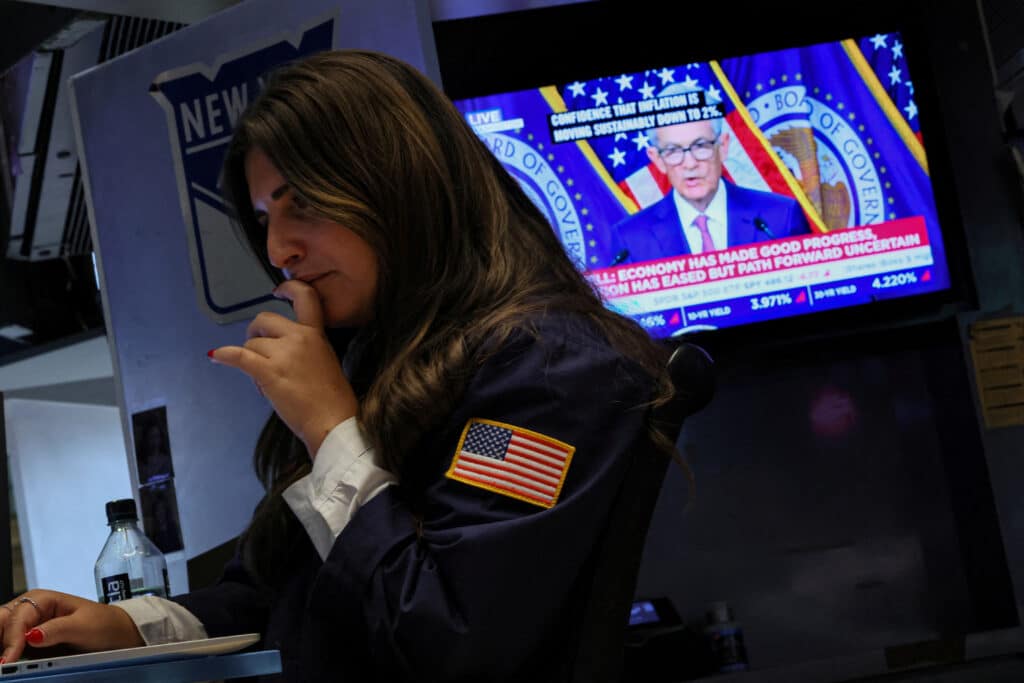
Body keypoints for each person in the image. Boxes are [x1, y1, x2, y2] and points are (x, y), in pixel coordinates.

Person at [0, 50, 679, 681]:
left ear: (399, 182)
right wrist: (123, 625)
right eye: (266, 215)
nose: (277, 249)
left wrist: (330, 428)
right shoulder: (382, 362)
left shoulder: (548, 368)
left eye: (304, 202)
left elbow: (450, 640)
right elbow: (272, 594)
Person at [609, 86, 811, 264]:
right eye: (673, 151)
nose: (689, 164)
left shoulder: (780, 216)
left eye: (701, 146)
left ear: (723, 146)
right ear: (658, 160)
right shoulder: (631, 239)